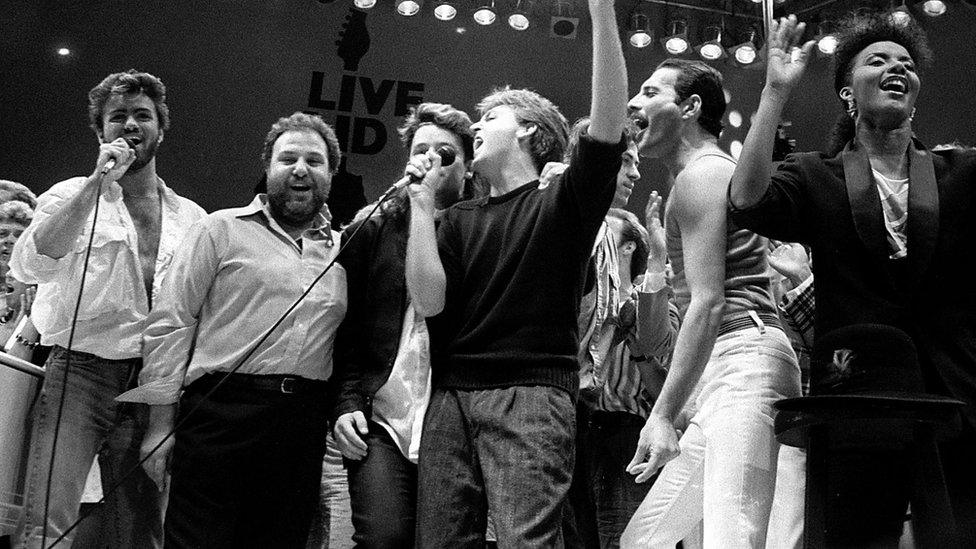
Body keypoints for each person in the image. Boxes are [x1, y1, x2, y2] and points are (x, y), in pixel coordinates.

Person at [728, 13, 976, 546]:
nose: (896, 68)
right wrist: (774, 93)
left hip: (955, 395)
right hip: (856, 394)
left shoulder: (962, 173)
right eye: (878, 60)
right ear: (847, 91)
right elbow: (747, 200)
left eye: (906, 64)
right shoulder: (816, 174)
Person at [407, 0, 629, 544]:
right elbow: (430, 302)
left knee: (525, 542)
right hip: (451, 397)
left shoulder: (562, 201)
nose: (476, 127)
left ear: (528, 129)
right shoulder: (457, 218)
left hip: (531, 394)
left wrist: (602, 15)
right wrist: (419, 204)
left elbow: (605, 129)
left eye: (490, 118)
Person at [120, 112, 348, 548]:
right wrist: (159, 426)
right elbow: (171, 323)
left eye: (314, 161)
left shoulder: (345, 250)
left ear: (331, 174)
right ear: (268, 168)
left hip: (300, 427)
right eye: (288, 159)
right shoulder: (219, 229)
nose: (300, 169)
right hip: (218, 414)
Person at [9, 69, 205, 549]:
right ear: (101, 131)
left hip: (153, 384)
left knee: (142, 530)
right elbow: (31, 263)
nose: (131, 125)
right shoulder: (67, 194)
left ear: (162, 128)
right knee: (46, 520)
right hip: (80, 371)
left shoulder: (193, 217)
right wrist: (96, 185)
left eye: (143, 115)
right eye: (118, 117)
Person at [620, 58, 802, 548]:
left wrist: (661, 413)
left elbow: (708, 304)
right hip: (728, 365)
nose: (634, 102)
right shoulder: (697, 178)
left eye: (650, 91)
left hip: (744, 362)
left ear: (690, 107)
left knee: (731, 539)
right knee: (644, 541)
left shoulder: (702, 175)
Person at [330, 102, 475, 548]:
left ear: (468, 169)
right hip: (383, 418)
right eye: (421, 149)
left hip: (451, 422)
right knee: (384, 536)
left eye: (446, 153)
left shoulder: (480, 229)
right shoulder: (372, 227)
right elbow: (344, 327)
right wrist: (346, 401)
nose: (430, 159)